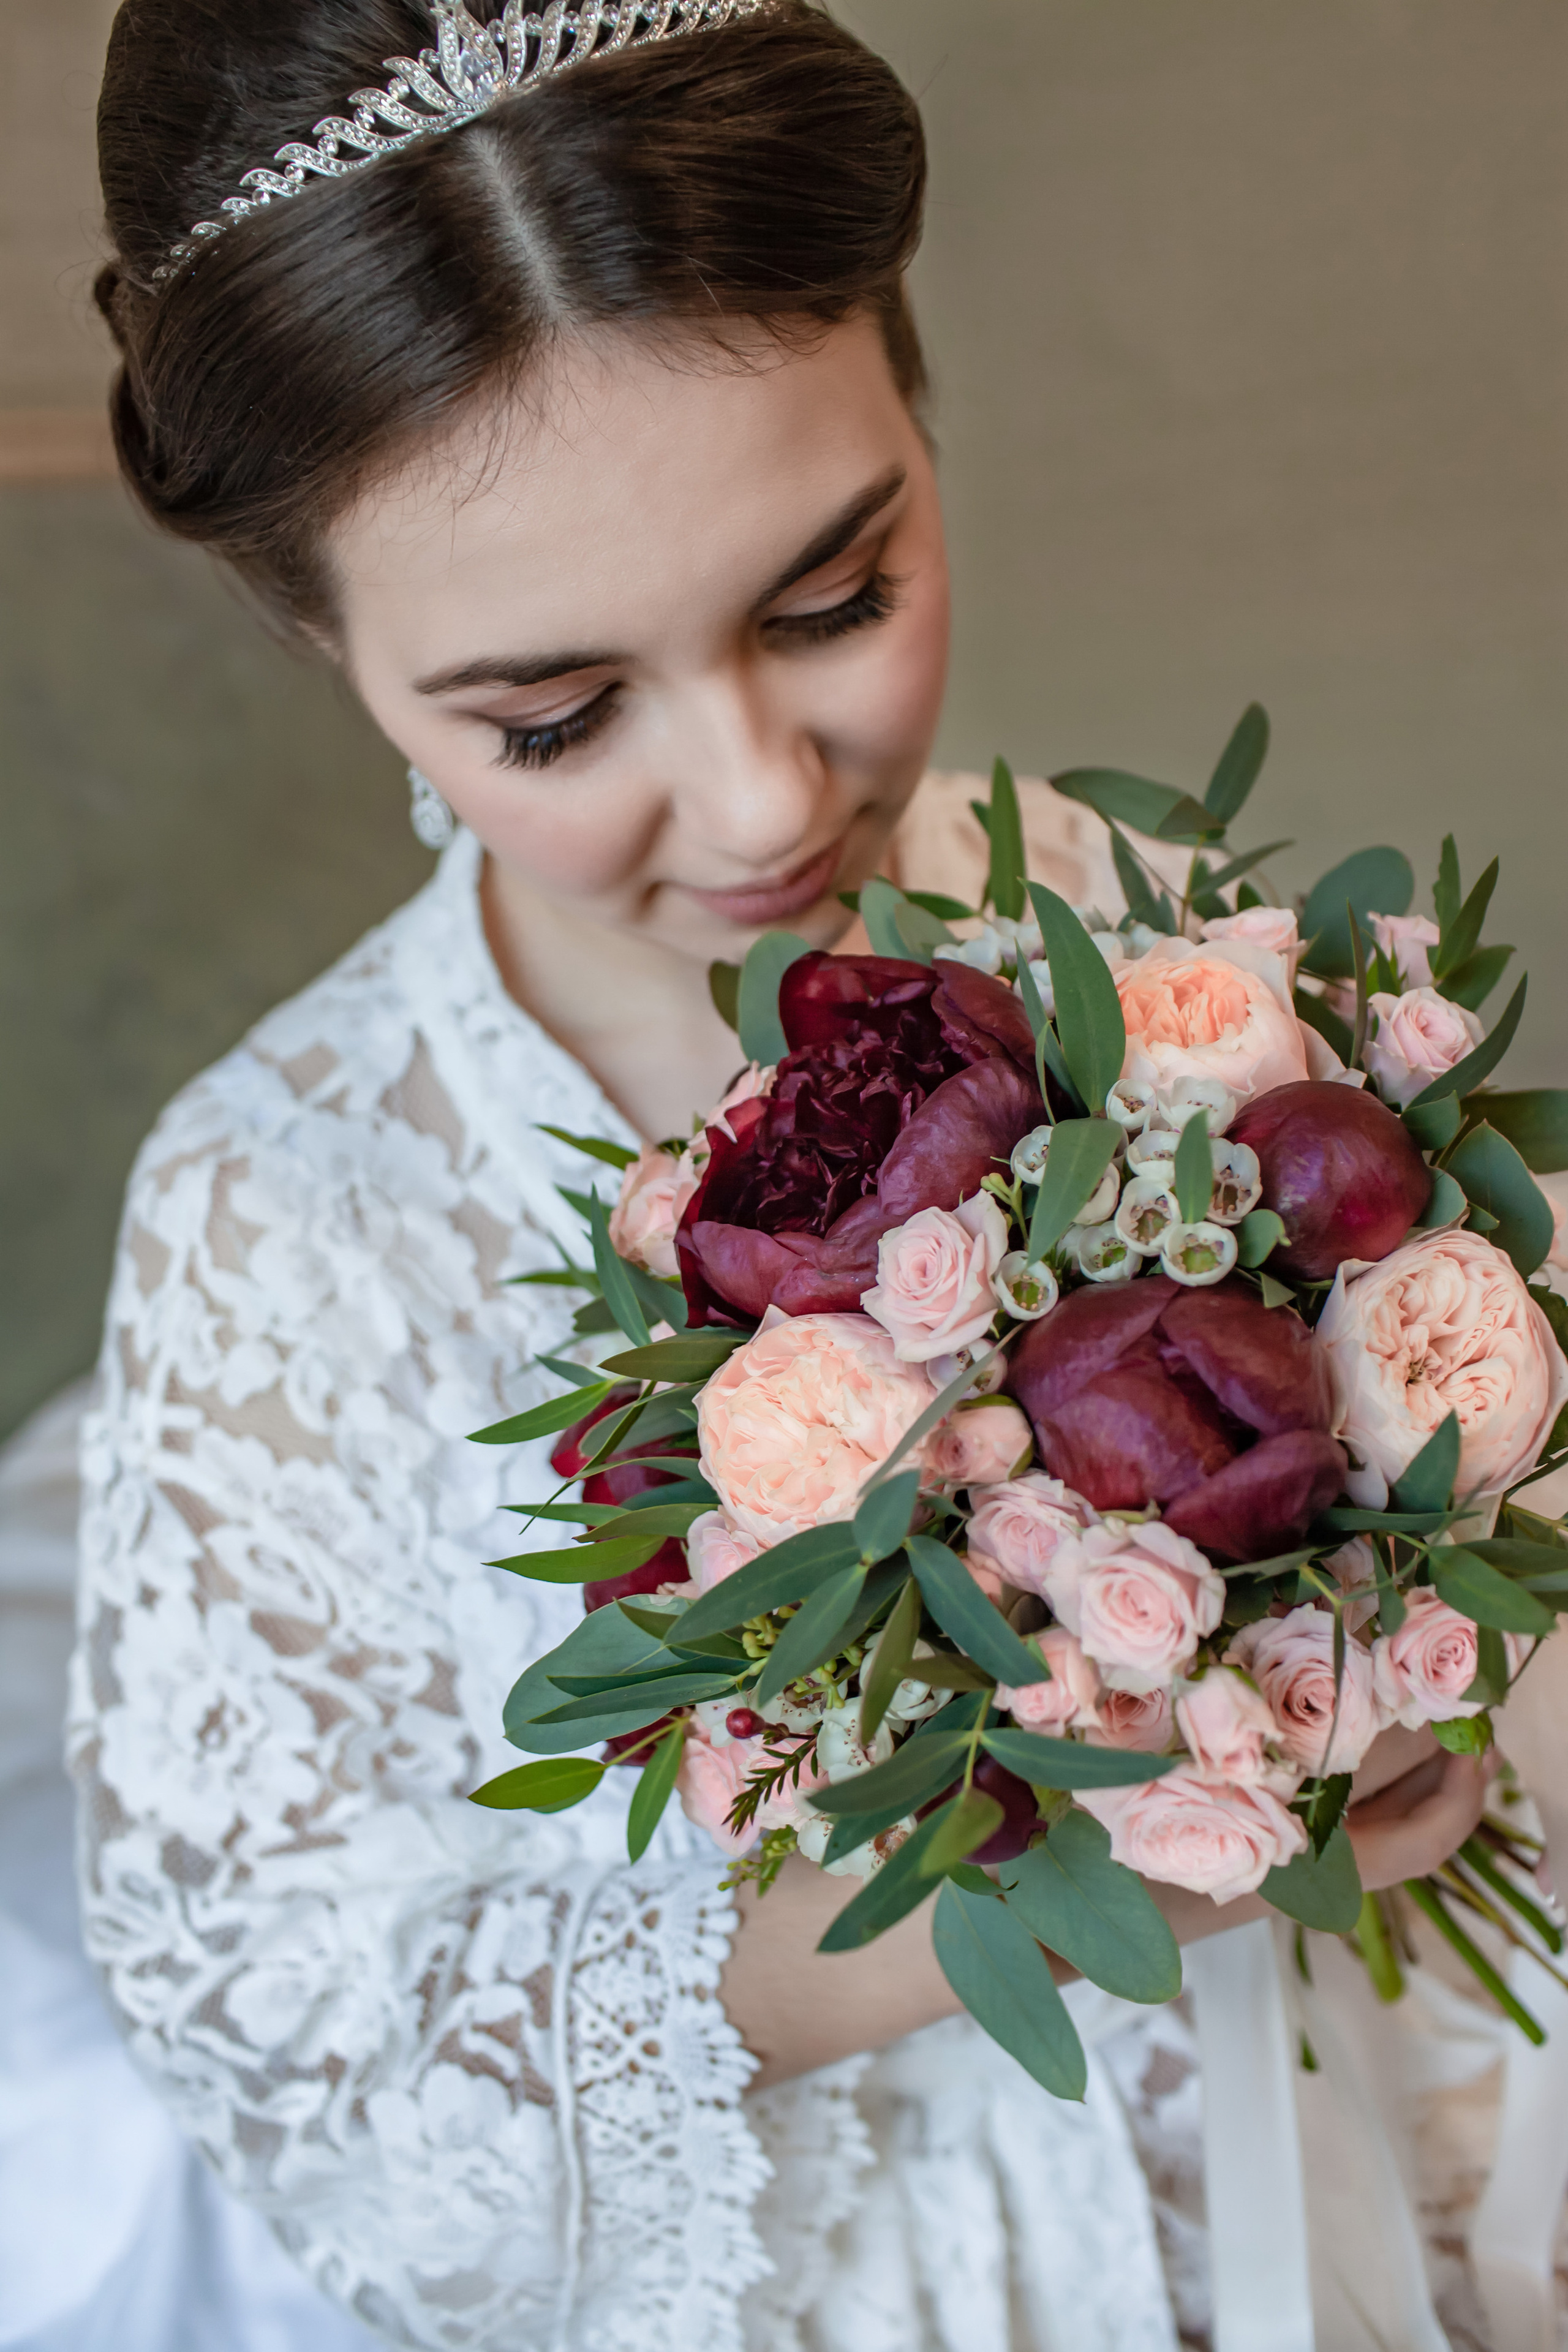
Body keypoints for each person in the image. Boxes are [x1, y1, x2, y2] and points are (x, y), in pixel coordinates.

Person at [59, 5, 1491, 2346]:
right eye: (553, 716)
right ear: (318, 633)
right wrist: (1056, 1885)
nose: (753, 802)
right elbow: (326, 2069)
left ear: (915, 388)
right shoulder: (288, 1202)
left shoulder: (1167, 951)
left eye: (832, 599)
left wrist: (1406, 1701)